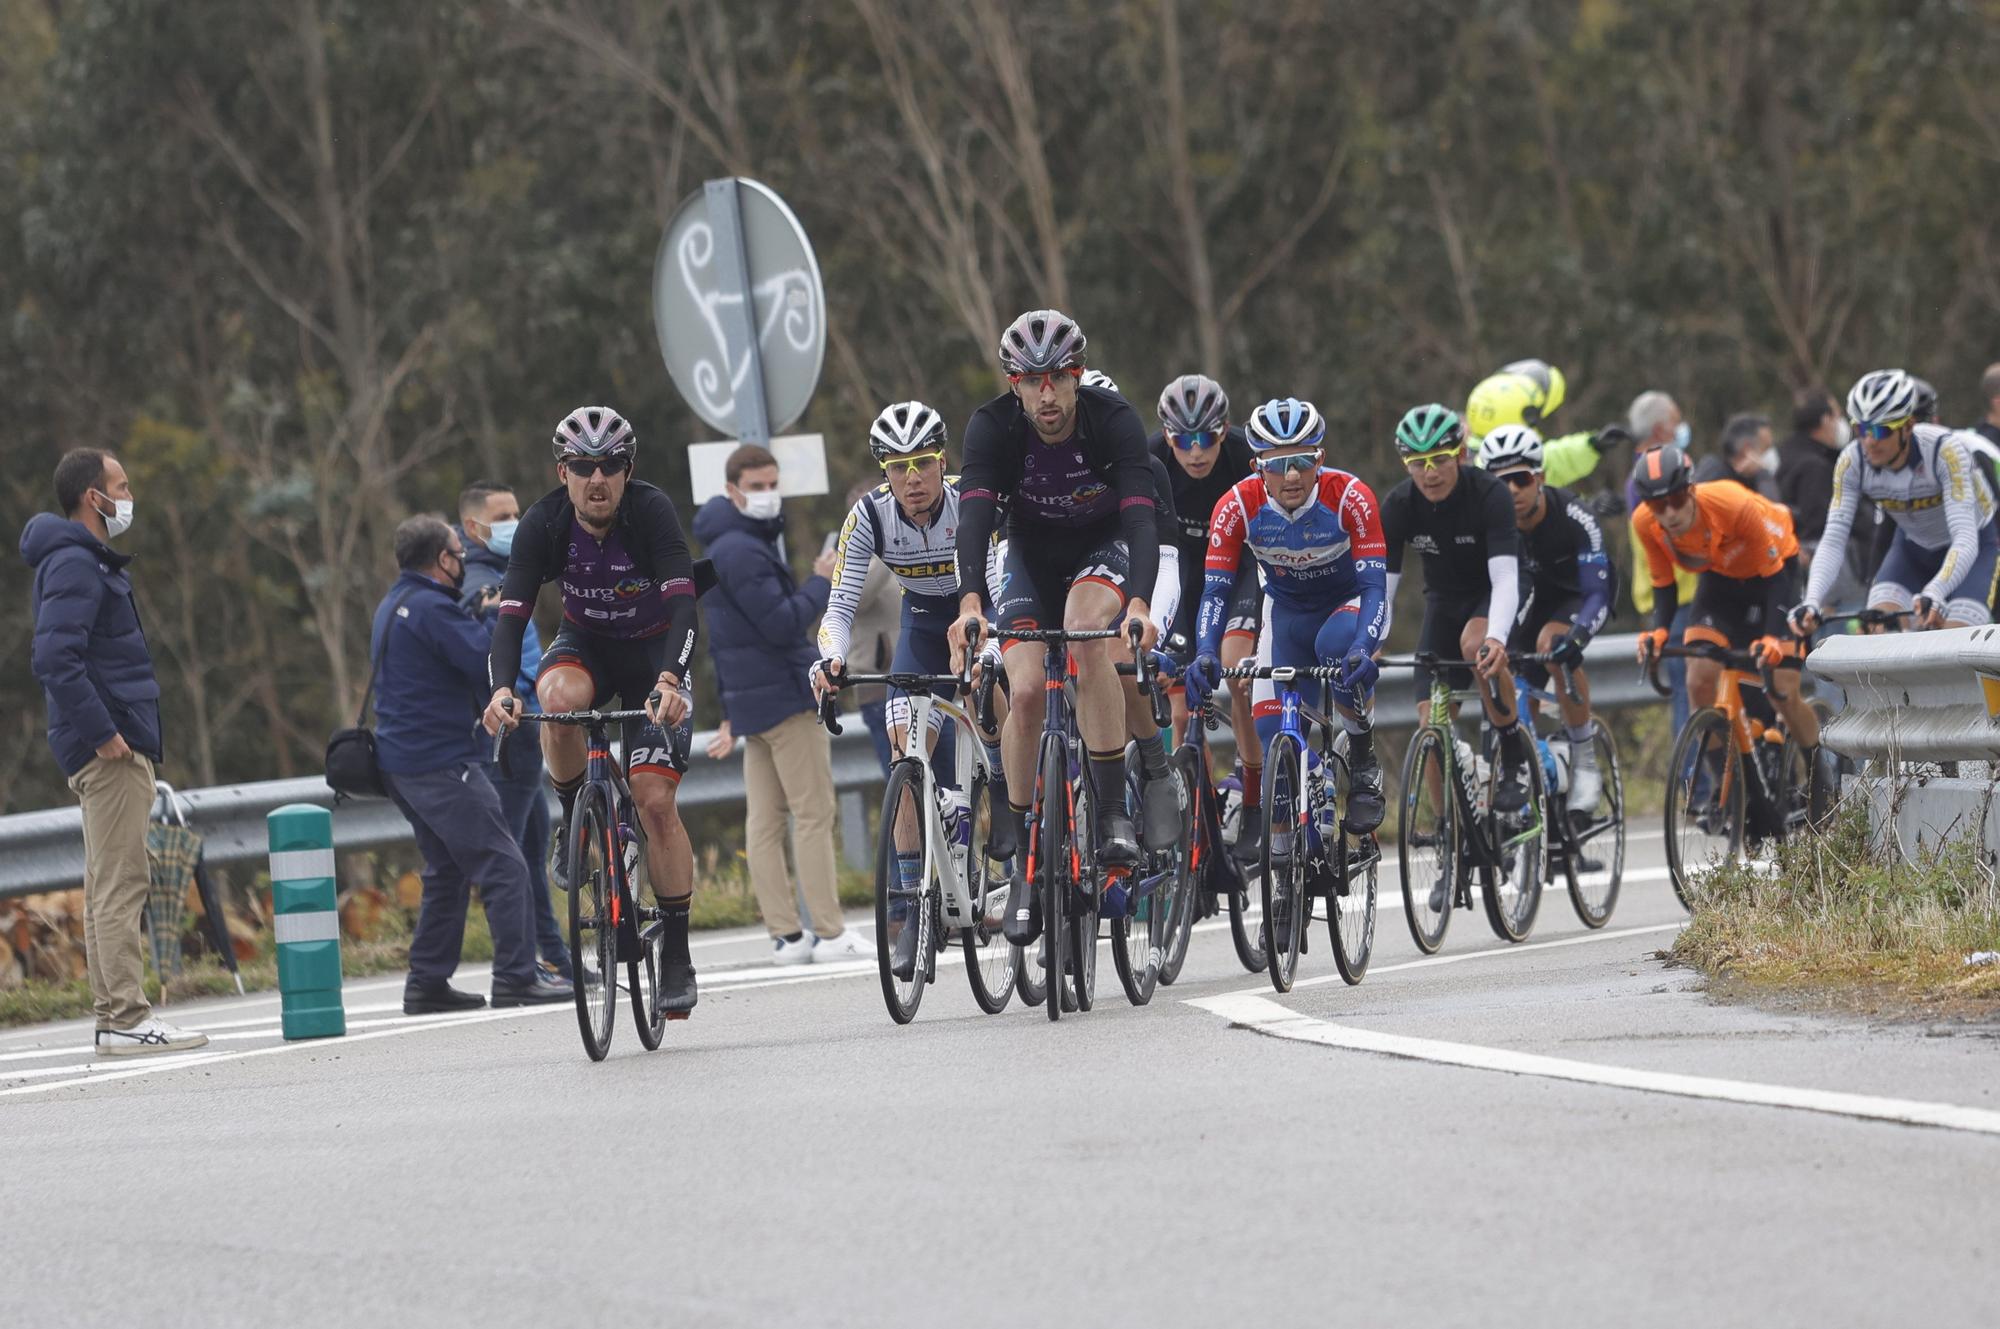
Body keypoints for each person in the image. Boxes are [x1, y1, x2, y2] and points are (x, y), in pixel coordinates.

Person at [946, 308, 1166, 948]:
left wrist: (1142, 604)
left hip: (1102, 549)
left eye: (1059, 378)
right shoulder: (991, 427)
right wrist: (969, 602)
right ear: (1013, 382)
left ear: (1078, 377)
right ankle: (1019, 857)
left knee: (1082, 633)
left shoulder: (1113, 421)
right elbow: (975, 523)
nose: (1047, 394)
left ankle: (1112, 816)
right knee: (1030, 690)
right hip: (1029, 556)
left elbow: (1141, 519)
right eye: (1031, 379)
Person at [481, 406, 700, 1013]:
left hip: (656, 657)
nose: (595, 478)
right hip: (588, 648)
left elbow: (685, 609)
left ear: (628, 472)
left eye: (608, 467)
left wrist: (673, 680)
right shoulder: (544, 523)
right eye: (582, 467)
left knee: (655, 802)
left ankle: (677, 954)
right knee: (553, 699)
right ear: (563, 472)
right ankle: (575, 814)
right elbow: (511, 617)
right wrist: (501, 689)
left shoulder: (650, 512)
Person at [813, 402, 1016, 978]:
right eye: (897, 466)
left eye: (923, 463)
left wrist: (992, 650)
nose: (912, 478)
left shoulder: (971, 505)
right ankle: (914, 912)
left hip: (980, 613)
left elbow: (999, 590)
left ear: (942, 461)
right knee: (908, 760)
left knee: (989, 690)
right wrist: (829, 658)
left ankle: (1001, 785)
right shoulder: (870, 517)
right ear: (883, 471)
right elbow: (840, 608)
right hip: (922, 627)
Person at [23, 449, 208, 1057]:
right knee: (123, 883)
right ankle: (128, 1018)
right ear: (91, 497)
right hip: (108, 750)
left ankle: (113, 1018)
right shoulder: (76, 563)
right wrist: (106, 734)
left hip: (106, 743)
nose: (129, 497)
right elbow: (55, 659)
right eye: (121, 486)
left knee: (108, 883)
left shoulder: (81, 562)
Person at [375, 516, 572, 1014]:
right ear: (442, 561)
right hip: (441, 762)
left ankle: (426, 984)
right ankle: (516, 977)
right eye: (457, 554)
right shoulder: (433, 609)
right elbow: (487, 661)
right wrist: (487, 617)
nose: (463, 562)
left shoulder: (395, 602)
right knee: (504, 863)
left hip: (401, 762)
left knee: (446, 869)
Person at [694, 442, 872, 966]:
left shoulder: (724, 544)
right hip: (784, 697)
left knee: (765, 822)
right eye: (757, 487)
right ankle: (831, 932)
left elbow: (728, 636)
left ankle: (787, 938)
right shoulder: (744, 550)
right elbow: (781, 623)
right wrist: (822, 580)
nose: (768, 495)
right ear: (733, 491)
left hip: (752, 702)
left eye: (773, 484)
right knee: (814, 813)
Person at [1184, 398, 1388, 844]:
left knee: (1337, 645)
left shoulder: (1351, 497)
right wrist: (1204, 652)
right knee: (1272, 742)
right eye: (1278, 465)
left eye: (1302, 461)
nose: (1291, 475)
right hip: (1287, 614)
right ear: (1258, 466)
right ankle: (1290, 873)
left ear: (1321, 460)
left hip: (1348, 605)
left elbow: (1375, 589)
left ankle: (1363, 756)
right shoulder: (1236, 506)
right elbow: (1215, 591)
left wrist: (1363, 645)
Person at [1380, 404, 1533, 814]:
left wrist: (1497, 638)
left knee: (1475, 645)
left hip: (1494, 593)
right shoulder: (1398, 505)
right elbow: (1383, 588)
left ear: (1461, 455)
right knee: (1431, 728)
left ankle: (1512, 752)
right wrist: (1370, 638)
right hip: (1443, 603)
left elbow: (1504, 579)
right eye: (1418, 463)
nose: (1429, 472)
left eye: (1440, 460)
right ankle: (1451, 837)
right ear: (1406, 463)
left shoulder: (1489, 494)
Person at [1629, 447, 1820, 754]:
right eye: (1657, 505)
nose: (1669, 514)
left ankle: (1817, 767)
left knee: (1781, 691)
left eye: (1676, 500)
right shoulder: (1644, 523)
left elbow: (1775, 579)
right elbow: (1663, 583)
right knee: (1699, 680)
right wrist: (1660, 630)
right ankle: (1725, 793)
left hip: (1775, 572)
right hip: (1721, 579)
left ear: (1691, 490)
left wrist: (1772, 636)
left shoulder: (1732, 504)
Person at [1148, 373, 1266, 862]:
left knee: (1237, 671)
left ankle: (1254, 794)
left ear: (1225, 431)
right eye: (1183, 440)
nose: (1195, 452)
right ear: (1167, 436)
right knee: (1178, 709)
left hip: (1240, 570)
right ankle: (1201, 813)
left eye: (1206, 438)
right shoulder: (1153, 460)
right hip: (1185, 574)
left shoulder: (1244, 457)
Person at [457, 480, 571, 981]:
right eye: (502, 516)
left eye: (517, 512)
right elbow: (484, 634)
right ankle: (525, 962)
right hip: (512, 721)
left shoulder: (506, 570)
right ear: (473, 527)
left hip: (524, 719)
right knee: (514, 852)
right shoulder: (481, 580)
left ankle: (553, 956)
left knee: (529, 844)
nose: (514, 524)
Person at [1789, 370, 1999, 636]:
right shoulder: (1852, 460)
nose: (1869, 441)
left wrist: (1935, 590)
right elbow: (1833, 538)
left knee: (1954, 641)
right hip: (1912, 548)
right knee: (1880, 631)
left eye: (1881, 430)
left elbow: (1965, 537)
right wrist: (1812, 601)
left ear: (1908, 426)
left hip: (1975, 550)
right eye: (1861, 429)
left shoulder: (1945, 450)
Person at [1476, 425, 1614, 812]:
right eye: (1501, 483)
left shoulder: (1574, 514)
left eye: (1521, 479)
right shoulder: (1489, 527)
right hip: (1525, 601)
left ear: (1541, 478)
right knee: (1511, 684)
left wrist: (1579, 635)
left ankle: (1584, 757)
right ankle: (1532, 775)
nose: (1513, 491)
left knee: (1552, 647)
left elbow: (1598, 592)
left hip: (1577, 596)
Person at [1626, 389, 1697, 733]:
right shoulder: (1653, 477)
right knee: (1689, 696)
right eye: (1675, 421)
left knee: (1690, 694)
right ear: (1658, 429)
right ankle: (1693, 785)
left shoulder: (1641, 474)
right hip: (1679, 597)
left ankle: (1695, 782)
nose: (1681, 427)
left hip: (1670, 598)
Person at [1464, 358, 1627, 489]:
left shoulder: (1462, 457)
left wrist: (1592, 444)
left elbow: (1555, 458)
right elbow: (1552, 462)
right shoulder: (1508, 465)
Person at [838, 478, 902, 776]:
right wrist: (884, 544)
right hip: (877, 683)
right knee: (900, 776)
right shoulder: (858, 557)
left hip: (918, 676)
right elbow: (858, 598)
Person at [1693, 413, 1781, 500]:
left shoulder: (1752, 480)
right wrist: (1763, 474)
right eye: (1765, 448)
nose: (1770, 454)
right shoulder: (1714, 475)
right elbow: (1771, 509)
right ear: (1747, 450)